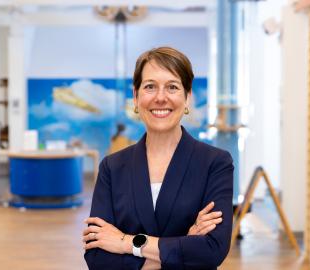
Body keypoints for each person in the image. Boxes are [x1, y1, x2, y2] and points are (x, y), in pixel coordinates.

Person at [83, 47, 234, 269]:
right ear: (136, 97)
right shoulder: (112, 168)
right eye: (150, 87)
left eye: (172, 87)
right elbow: (97, 256)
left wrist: (126, 242)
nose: (160, 98)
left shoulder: (215, 163)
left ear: (187, 98)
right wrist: (184, 246)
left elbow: (211, 250)